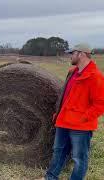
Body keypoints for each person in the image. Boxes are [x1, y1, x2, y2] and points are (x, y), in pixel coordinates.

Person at [41, 43, 104, 180]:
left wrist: (83, 118)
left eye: (72, 53)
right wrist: (58, 112)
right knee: (58, 152)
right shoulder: (72, 72)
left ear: (81, 54)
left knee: (79, 158)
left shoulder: (95, 76)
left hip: (80, 127)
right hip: (63, 122)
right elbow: (65, 96)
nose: (70, 56)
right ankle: (50, 178)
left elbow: (100, 103)